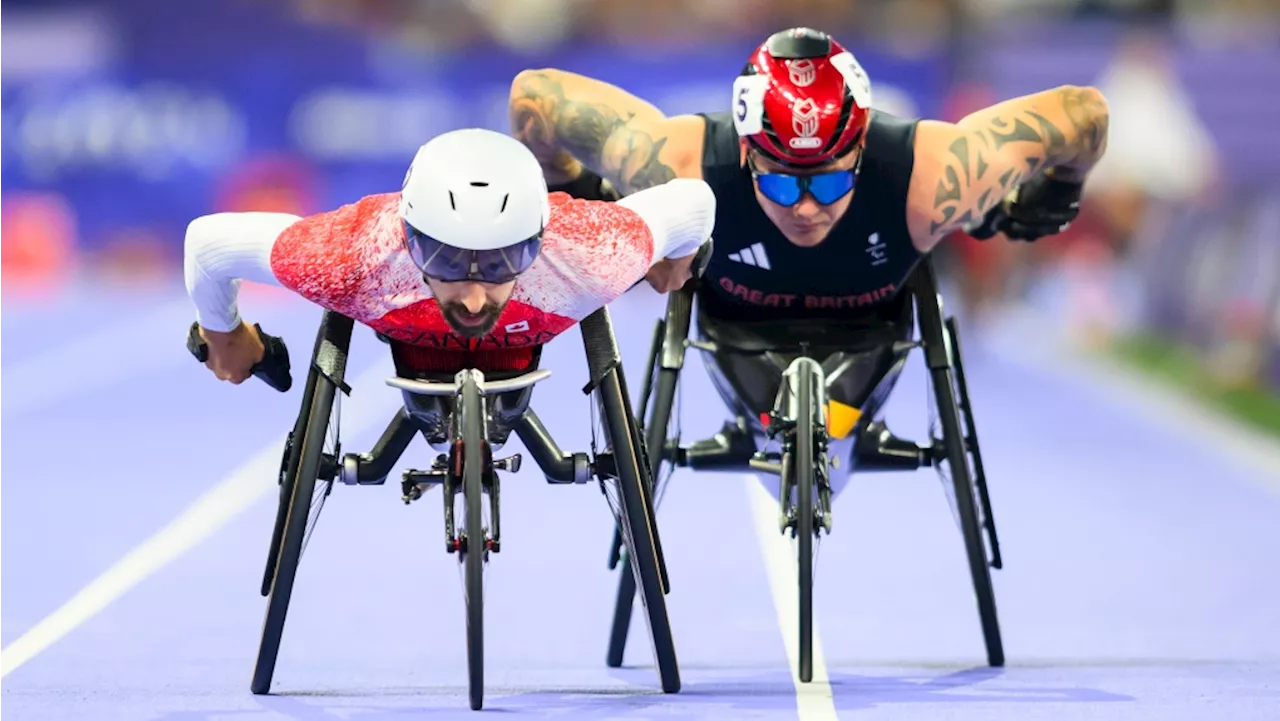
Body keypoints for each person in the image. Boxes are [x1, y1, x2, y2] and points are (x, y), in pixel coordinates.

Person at [507, 26, 1110, 458]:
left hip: (870, 334)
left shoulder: (934, 176)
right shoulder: (680, 163)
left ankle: (840, 422)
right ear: (744, 153)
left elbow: (1085, 112)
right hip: (734, 330)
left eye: (828, 180)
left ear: (862, 150)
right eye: (777, 180)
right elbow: (533, 97)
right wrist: (575, 186)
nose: (804, 207)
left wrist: (1059, 190)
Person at [185, 128, 715, 384]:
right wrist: (226, 336)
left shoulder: (590, 252)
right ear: (411, 242)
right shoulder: (353, 257)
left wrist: (673, 259)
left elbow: (695, 203)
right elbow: (207, 244)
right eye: (449, 262)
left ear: (536, 243)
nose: (474, 295)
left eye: (502, 262)